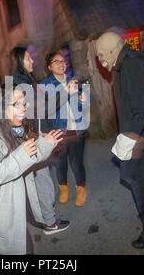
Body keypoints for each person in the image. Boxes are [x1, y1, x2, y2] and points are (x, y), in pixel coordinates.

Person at [0, 85, 63, 254]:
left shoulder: (15, 128)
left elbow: (25, 156)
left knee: (13, 246)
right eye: (16, 104)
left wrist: (45, 144)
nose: (23, 108)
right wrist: (22, 155)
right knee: (12, 248)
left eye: (24, 103)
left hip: (14, 200)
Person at [96, 30, 144, 249]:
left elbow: (143, 104)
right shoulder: (126, 62)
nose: (100, 60)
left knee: (138, 181)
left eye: (101, 55)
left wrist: (130, 138)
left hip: (139, 134)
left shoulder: (130, 64)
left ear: (112, 50)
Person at [11, 46, 71, 235]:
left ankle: (44, 218)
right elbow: (39, 110)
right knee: (43, 179)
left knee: (37, 179)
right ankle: (50, 222)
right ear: (20, 61)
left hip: (34, 136)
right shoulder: (22, 84)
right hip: (35, 138)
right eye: (28, 58)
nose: (32, 61)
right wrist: (65, 94)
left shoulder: (24, 80)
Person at [40, 50, 89, 207]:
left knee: (77, 163)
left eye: (63, 61)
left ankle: (81, 190)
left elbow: (82, 105)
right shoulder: (44, 86)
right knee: (60, 164)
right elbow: (47, 109)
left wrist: (83, 100)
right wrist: (65, 92)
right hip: (58, 133)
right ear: (49, 66)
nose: (62, 64)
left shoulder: (73, 80)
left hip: (76, 130)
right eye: (57, 61)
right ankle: (63, 188)